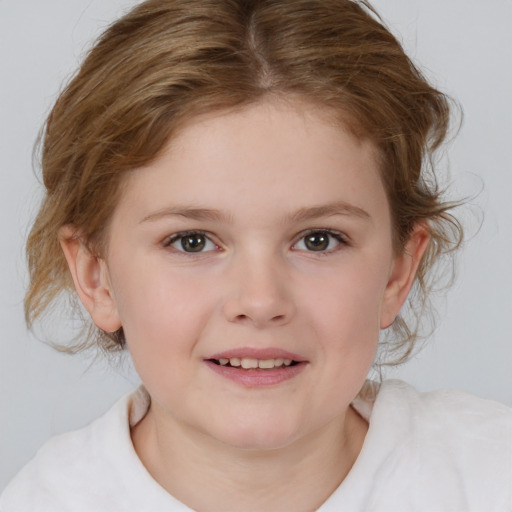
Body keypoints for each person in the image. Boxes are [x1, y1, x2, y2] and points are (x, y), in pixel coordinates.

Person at [1, 0, 511, 510]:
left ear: (397, 271)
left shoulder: (491, 475)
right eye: (192, 241)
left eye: (319, 239)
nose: (261, 300)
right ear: (96, 277)